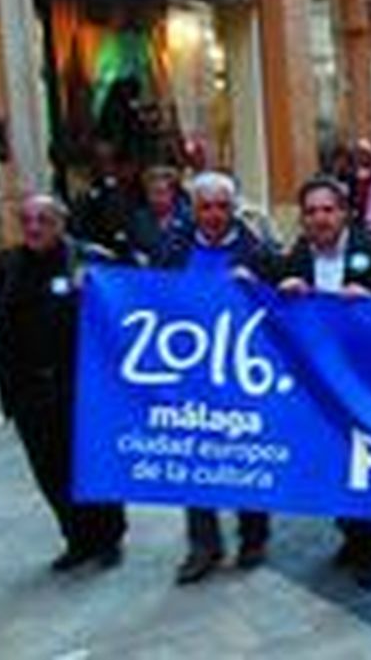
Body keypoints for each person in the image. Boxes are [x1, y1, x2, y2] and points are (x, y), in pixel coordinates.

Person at [0, 194, 128, 573]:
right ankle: (76, 539)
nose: (34, 228)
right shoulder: (2, 267)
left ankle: (109, 537)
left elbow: (124, 306)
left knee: (91, 466)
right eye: (27, 220)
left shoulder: (90, 259)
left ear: (62, 224)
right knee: (50, 472)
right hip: (29, 390)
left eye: (44, 220)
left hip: (79, 387)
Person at [268, 177, 371, 590]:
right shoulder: (290, 259)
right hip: (314, 382)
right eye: (311, 212)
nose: (320, 218)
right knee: (328, 461)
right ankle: (348, 532)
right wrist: (278, 292)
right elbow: (262, 306)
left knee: (361, 462)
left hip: (363, 380)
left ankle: (368, 550)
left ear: (344, 213)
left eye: (328, 209)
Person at [154, 172, 274, 585]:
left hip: (241, 373)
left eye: (223, 206)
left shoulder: (257, 251)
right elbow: (152, 299)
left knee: (245, 455)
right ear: (194, 209)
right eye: (206, 206)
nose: (214, 215)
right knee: (193, 458)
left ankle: (253, 537)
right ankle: (203, 545)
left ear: (234, 209)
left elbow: (277, 307)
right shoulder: (172, 250)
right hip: (190, 373)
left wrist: (257, 285)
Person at [126, 165, 190, 264]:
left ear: (172, 193)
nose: (157, 199)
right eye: (151, 193)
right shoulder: (138, 219)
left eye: (161, 193)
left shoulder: (188, 218)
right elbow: (132, 248)